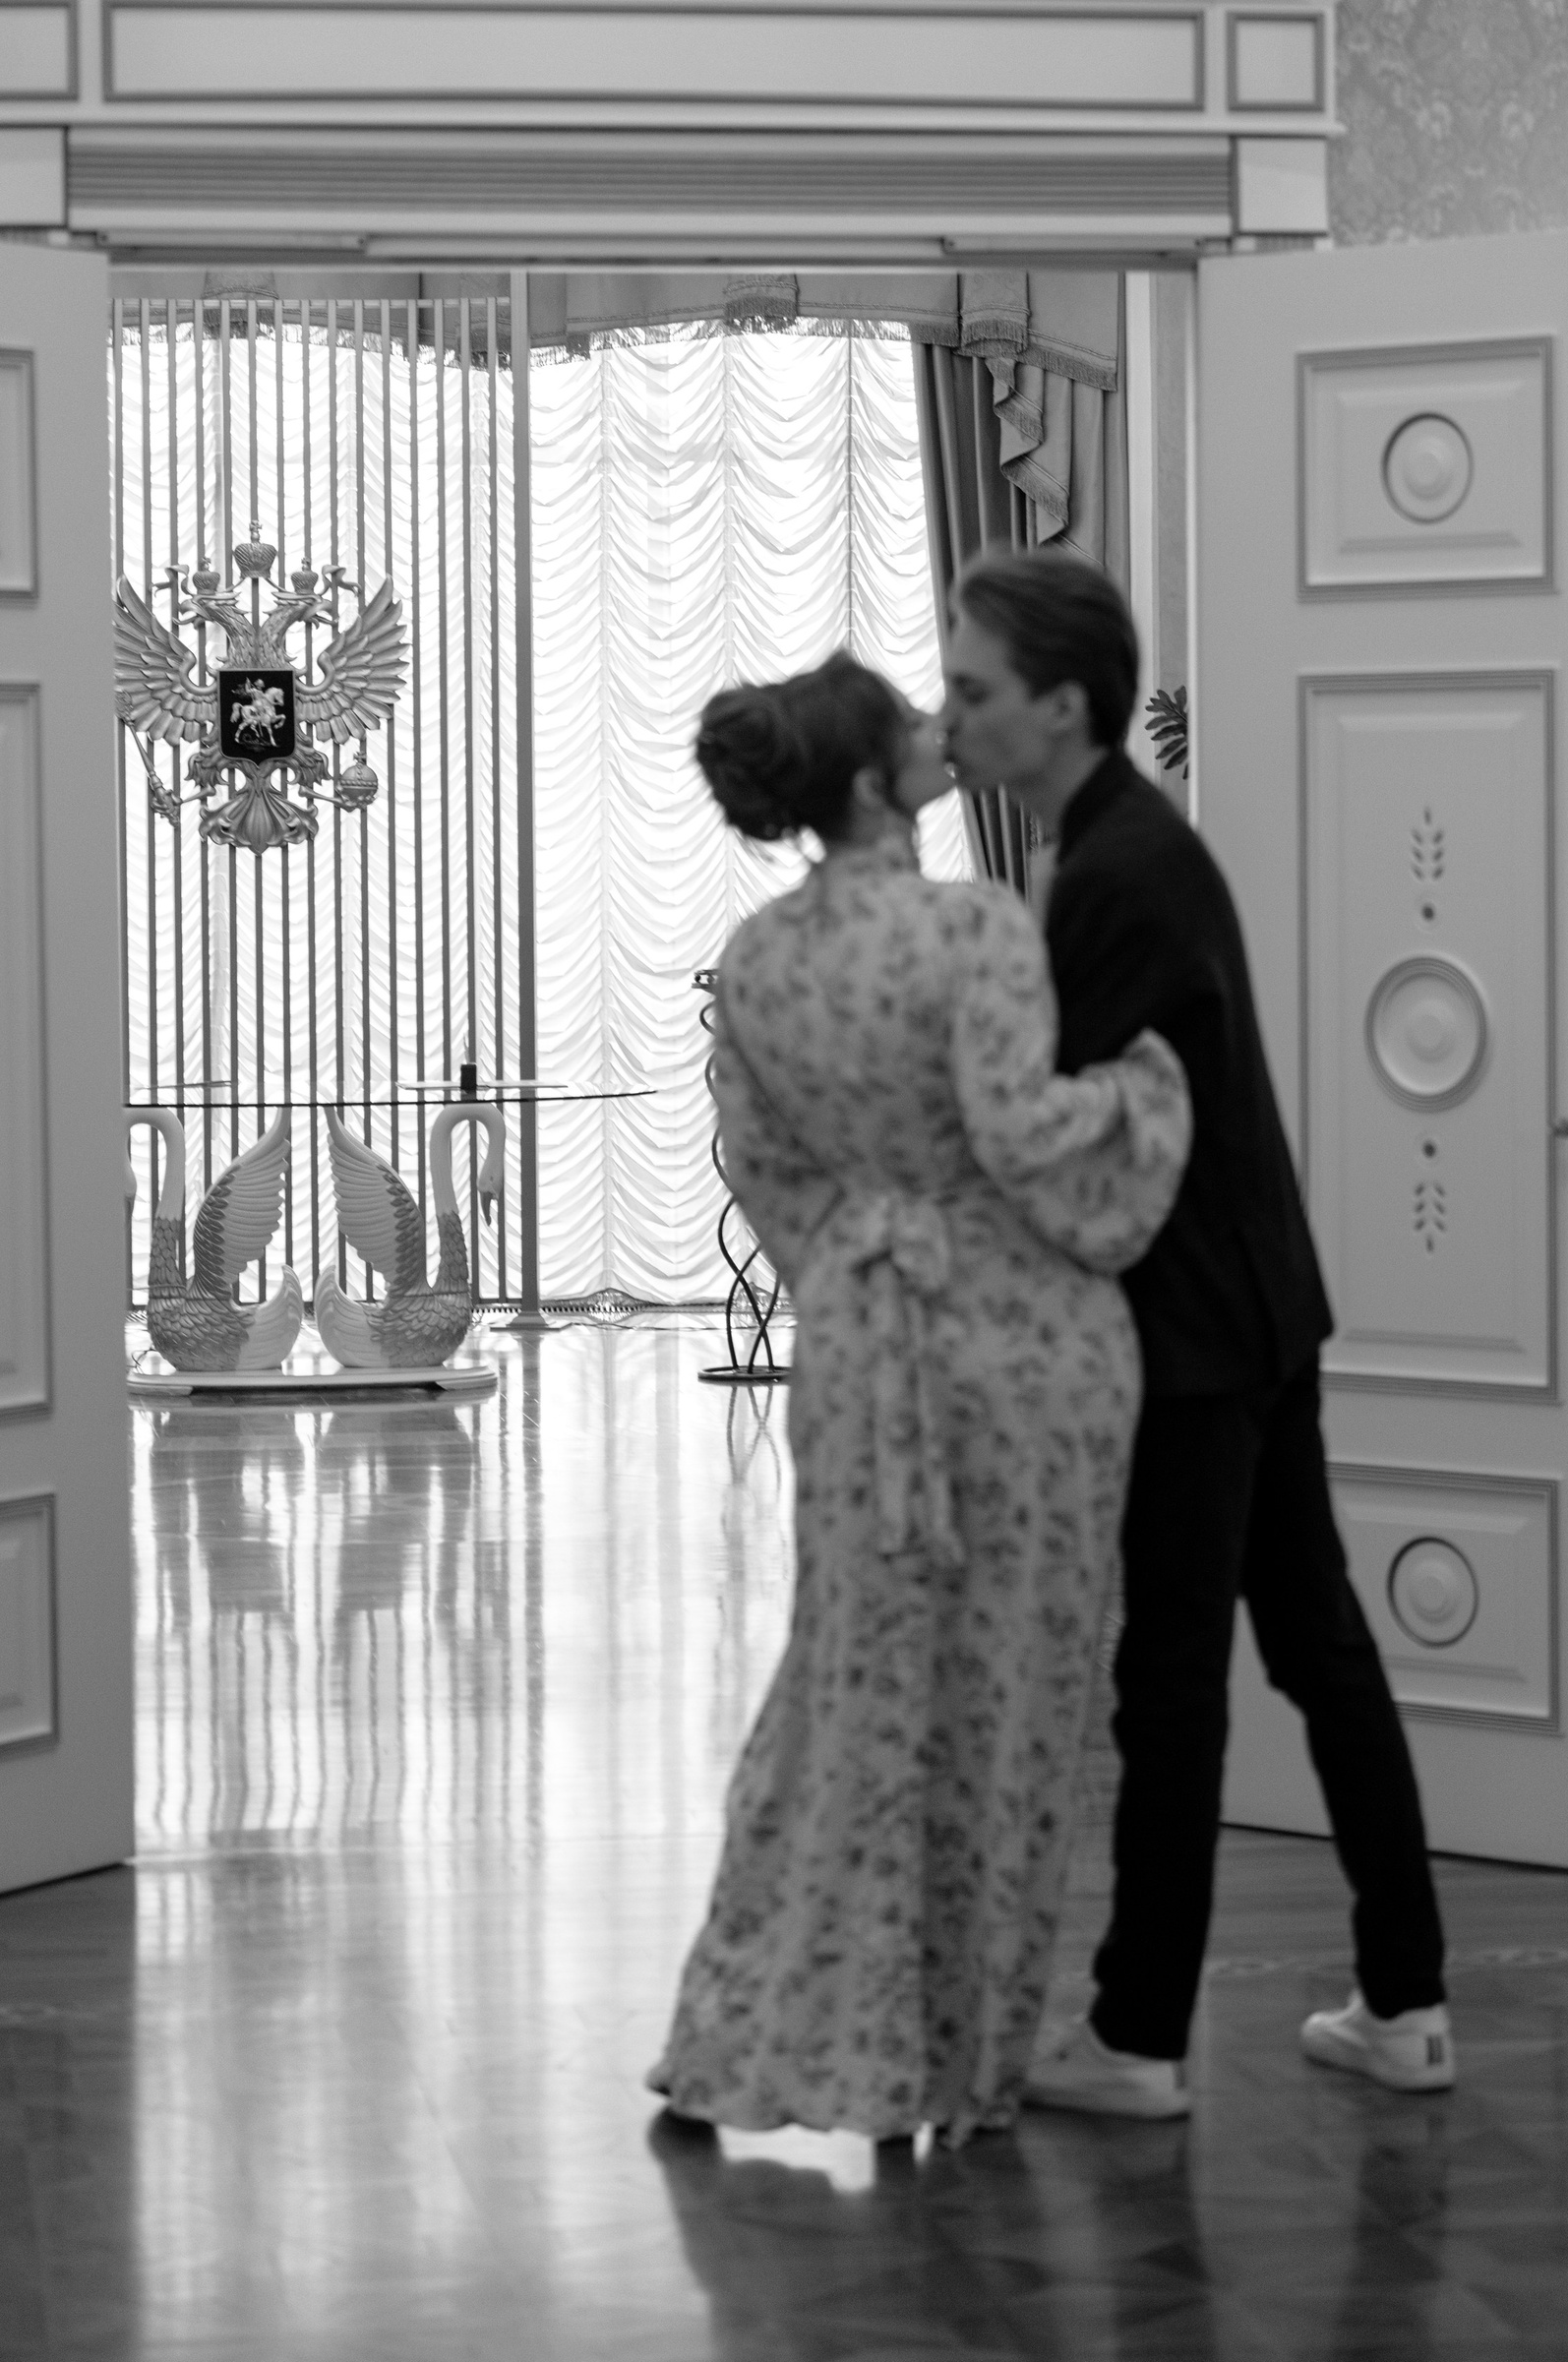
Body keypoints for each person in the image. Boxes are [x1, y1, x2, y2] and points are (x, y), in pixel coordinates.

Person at [647, 650, 1191, 2145]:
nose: (938, 727)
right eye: (910, 721)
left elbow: (764, 1172)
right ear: (873, 781)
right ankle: (950, 2057)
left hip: (856, 1344)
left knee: (854, 1676)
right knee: (1008, 1700)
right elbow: (1027, 1137)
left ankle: (758, 2028)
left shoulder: (757, 960)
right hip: (1017, 1351)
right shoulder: (975, 929)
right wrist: (1146, 1093)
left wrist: (857, 1258)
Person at [942, 551, 1454, 2122]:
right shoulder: (1123, 844)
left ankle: (1140, 2033)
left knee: (1172, 1679)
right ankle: (1406, 2000)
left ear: (1061, 705)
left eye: (972, 689)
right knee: (1316, 1646)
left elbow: (1062, 1131)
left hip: (1193, 1337)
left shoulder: (1113, 872)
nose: (950, 717)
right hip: (1256, 1307)